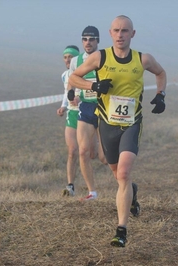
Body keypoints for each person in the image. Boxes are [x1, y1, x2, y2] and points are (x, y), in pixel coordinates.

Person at [69, 15, 167, 247]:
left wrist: (161, 95)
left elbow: (161, 73)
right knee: (118, 176)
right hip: (107, 123)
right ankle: (131, 191)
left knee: (123, 173)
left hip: (132, 122)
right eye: (116, 30)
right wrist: (94, 85)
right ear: (110, 33)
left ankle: (121, 230)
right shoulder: (100, 57)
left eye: (125, 31)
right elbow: (74, 78)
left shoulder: (143, 59)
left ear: (132, 34)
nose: (121, 35)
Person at [67, 26, 107, 201]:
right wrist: (71, 94)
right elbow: (72, 79)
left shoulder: (104, 57)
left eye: (91, 39)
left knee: (105, 157)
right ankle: (92, 192)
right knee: (82, 151)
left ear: (97, 41)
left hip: (104, 108)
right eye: (84, 39)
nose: (88, 42)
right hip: (86, 108)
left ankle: (126, 183)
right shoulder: (76, 60)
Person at [57, 45, 81, 196]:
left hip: (87, 114)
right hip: (72, 115)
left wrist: (81, 99)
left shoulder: (86, 72)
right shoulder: (64, 75)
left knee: (93, 154)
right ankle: (70, 186)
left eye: (70, 57)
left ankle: (125, 183)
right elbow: (67, 92)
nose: (67, 60)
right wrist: (63, 106)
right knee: (72, 151)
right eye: (65, 57)